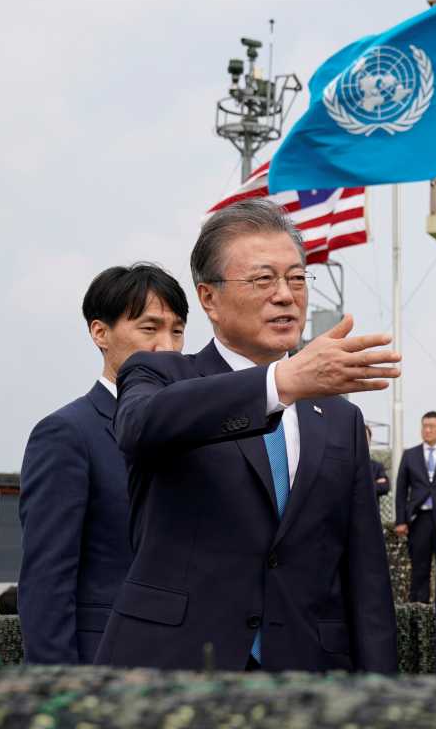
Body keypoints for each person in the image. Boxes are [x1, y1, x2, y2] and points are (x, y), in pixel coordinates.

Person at [95, 199, 402, 672]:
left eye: (297, 279)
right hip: (175, 669)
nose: (285, 295)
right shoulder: (160, 375)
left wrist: (381, 693)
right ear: (209, 298)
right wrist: (280, 384)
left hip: (307, 672)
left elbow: (365, 575)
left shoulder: (339, 418)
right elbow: (141, 425)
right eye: (263, 280)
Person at [18, 263, 187, 664]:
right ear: (100, 333)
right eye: (149, 329)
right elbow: (47, 579)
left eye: (177, 331)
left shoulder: (194, 428)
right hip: (105, 667)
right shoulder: (67, 433)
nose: (167, 346)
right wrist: (57, 690)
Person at [394, 411, 436, 602]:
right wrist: (400, 520)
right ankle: (418, 616)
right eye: (424, 426)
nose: (427, 430)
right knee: (419, 570)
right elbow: (401, 490)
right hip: (419, 520)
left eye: (431, 426)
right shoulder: (410, 455)